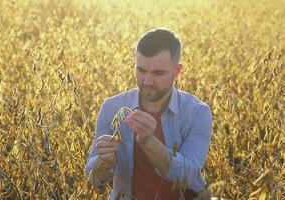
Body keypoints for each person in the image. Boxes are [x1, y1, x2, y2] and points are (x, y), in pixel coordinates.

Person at [85, 28, 213, 200]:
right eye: (141, 70)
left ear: (177, 71)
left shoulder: (197, 112)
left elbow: (189, 178)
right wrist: (103, 162)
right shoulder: (112, 107)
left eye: (158, 73)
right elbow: (94, 179)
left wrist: (149, 142)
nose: (147, 81)